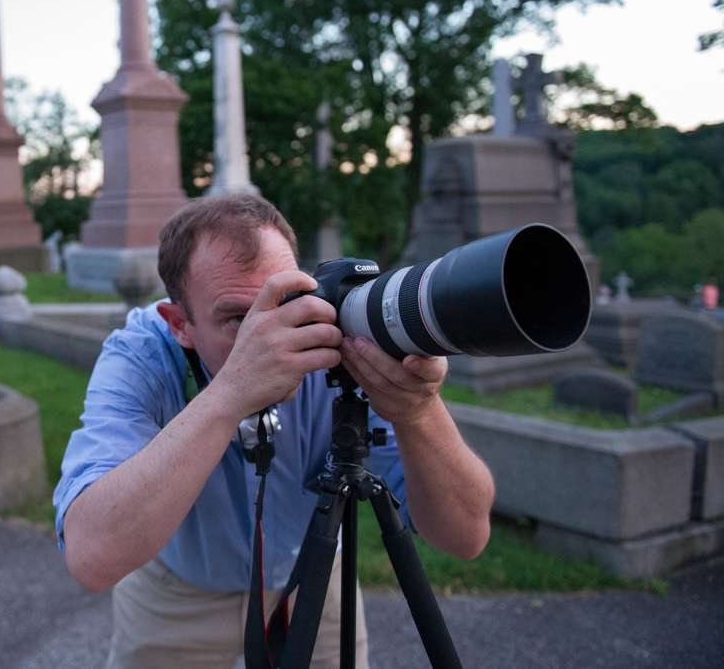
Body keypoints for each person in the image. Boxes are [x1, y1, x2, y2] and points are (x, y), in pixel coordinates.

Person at [54, 195, 495, 668]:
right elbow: (93, 556)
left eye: (286, 303)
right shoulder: (142, 354)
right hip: (178, 597)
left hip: (314, 582)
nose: (273, 333)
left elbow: (465, 535)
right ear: (180, 324)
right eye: (240, 319)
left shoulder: (340, 337)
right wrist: (230, 393)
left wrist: (418, 410)